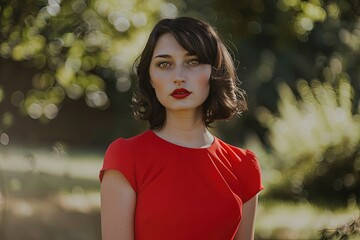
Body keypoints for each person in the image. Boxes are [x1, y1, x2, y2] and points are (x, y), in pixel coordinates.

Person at [99, 16, 263, 240]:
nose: (178, 77)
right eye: (164, 64)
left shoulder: (243, 166)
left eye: (193, 62)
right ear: (151, 77)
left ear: (214, 72)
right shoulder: (126, 158)